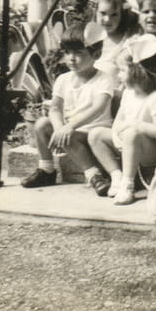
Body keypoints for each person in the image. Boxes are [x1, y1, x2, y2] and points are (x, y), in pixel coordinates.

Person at [21, 23, 114, 193]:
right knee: (42, 123)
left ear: (96, 54)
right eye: (67, 52)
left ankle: (94, 175)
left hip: (95, 133)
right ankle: (46, 169)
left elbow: (99, 107)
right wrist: (58, 128)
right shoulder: (63, 79)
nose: (71, 58)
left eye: (78, 53)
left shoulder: (104, 79)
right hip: (71, 132)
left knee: (68, 134)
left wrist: (69, 126)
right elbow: (55, 108)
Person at [88, 34, 156, 205]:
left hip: (146, 151)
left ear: (137, 72)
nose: (118, 75)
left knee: (132, 134)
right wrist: (117, 134)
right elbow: (118, 120)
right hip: (126, 144)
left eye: (122, 70)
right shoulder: (128, 94)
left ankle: (128, 185)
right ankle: (116, 175)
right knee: (96, 134)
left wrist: (135, 125)